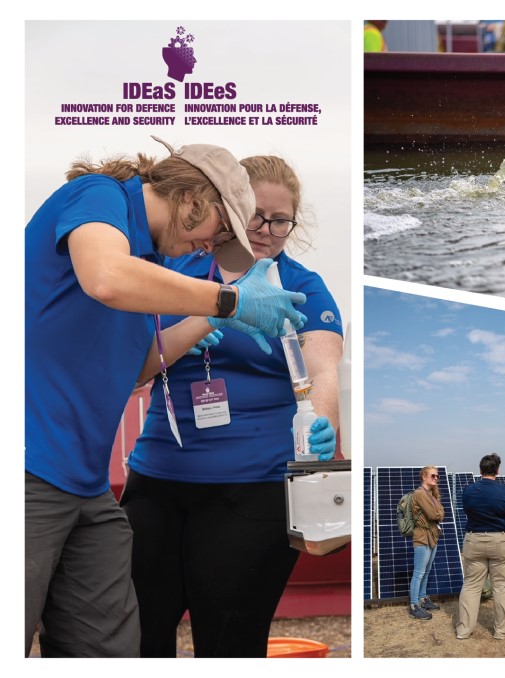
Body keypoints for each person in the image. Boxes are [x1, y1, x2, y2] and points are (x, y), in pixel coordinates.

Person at [25, 138, 307, 657]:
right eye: (219, 229)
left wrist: (208, 320)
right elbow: (106, 277)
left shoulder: (153, 265)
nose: (211, 245)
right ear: (193, 198)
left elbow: (137, 370)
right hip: (27, 466)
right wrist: (229, 300)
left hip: (85, 485)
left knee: (112, 647)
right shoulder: (99, 197)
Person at [119, 155, 344, 657]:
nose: (265, 229)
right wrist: (204, 318)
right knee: (134, 638)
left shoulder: (304, 287)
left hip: (253, 492)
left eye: (280, 220)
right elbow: (135, 368)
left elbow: (324, 368)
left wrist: (324, 433)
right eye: (254, 214)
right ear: (227, 208)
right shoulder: (174, 268)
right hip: (156, 483)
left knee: (228, 645)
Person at [455, 453, 505, 640]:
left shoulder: (468, 491)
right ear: (498, 470)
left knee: (471, 585)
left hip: (474, 540)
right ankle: (501, 630)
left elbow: (469, 513)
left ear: (480, 470)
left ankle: (464, 629)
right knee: (502, 586)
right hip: (502, 542)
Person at [408, 465, 445, 621]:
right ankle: (414, 605)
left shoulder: (431, 495)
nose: (435, 478)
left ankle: (423, 598)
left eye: (437, 476)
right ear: (423, 476)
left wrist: (438, 513)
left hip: (432, 536)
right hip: (422, 537)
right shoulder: (420, 494)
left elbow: (441, 514)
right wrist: (438, 513)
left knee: (427, 571)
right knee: (419, 573)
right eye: (432, 476)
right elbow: (433, 514)